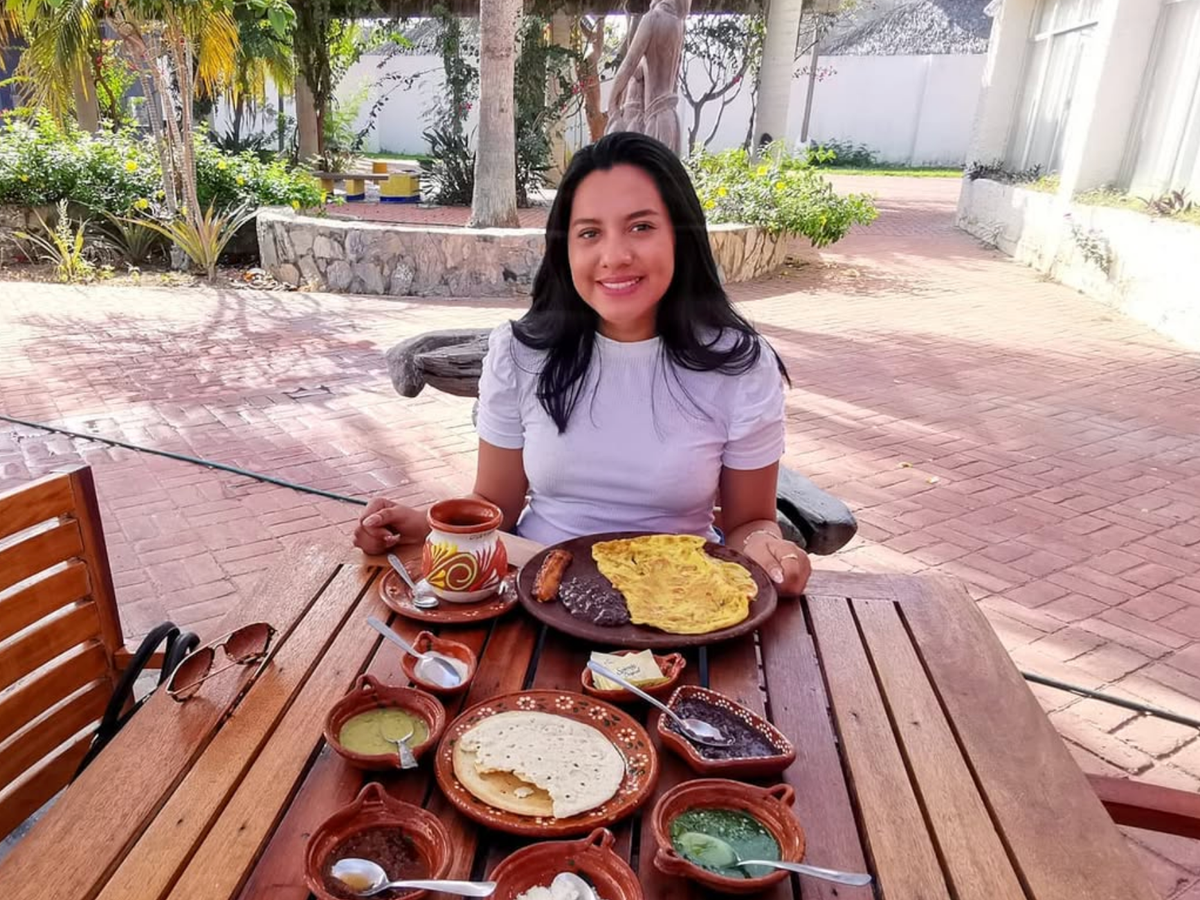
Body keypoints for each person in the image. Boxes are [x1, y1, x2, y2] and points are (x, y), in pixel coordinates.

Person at [354, 132, 811, 596]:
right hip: (536, 595)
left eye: (641, 227)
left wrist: (768, 549)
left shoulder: (740, 367)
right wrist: (431, 527)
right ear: (565, 248)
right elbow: (496, 504)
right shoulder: (520, 353)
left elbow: (749, 523)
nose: (614, 256)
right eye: (590, 233)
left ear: (681, 235)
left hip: (683, 603)